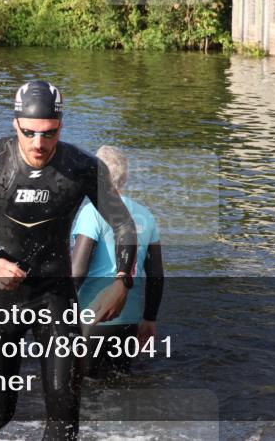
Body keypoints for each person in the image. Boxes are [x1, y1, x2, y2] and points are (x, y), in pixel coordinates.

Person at [0, 80, 137, 441]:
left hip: (55, 295)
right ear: (15, 125)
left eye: (49, 133)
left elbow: (122, 223)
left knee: (64, 415)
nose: (38, 143)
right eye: (29, 133)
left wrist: (123, 279)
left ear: (61, 126)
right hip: (0, 297)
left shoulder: (81, 166)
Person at [72, 146, 164, 378]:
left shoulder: (92, 212)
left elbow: (78, 269)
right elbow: (156, 275)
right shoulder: (146, 215)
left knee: (80, 387)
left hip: (91, 318)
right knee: (118, 383)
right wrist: (149, 319)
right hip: (128, 320)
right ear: (126, 177)